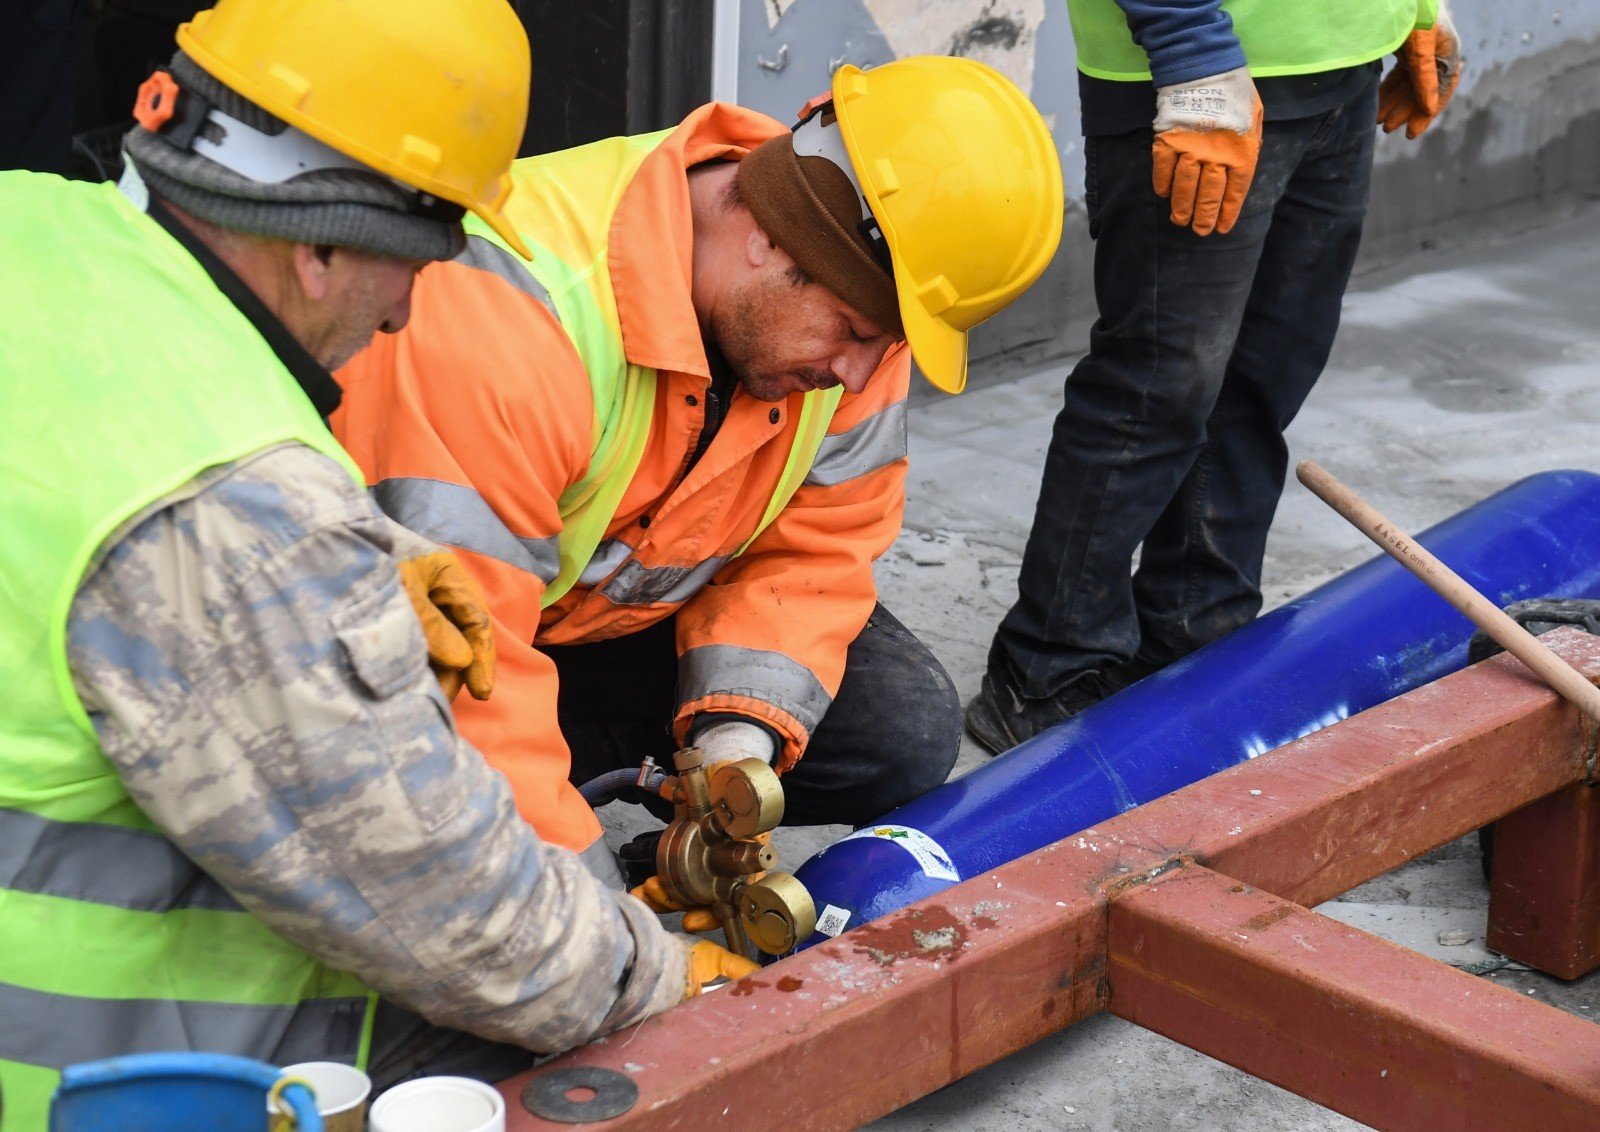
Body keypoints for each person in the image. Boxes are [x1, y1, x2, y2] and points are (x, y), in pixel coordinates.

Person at [0, 2, 753, 1124]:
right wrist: (660, 977)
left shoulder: (36, 227)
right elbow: (463, 921)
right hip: (104, 1076)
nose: (408, 313)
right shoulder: (246, 519)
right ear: (318, 238)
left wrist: (363, 568)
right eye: (417, 260)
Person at [332, 56, 1064, 874]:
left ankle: (604, 803)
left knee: (897, 731)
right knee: (425, 802)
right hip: (458, 637)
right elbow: (462, 664)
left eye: (886, 342)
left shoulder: (858, 321)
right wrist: (594, 929)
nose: (859, 373)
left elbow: (820, 546)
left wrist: (737, 732)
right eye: (855, 331)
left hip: (599, 618)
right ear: (767, 234)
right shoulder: (508, 318)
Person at [966, 0, 1464, 754]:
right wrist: (1191, 48)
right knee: (1159, 385)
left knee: (1266, 371)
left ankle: (1194, 637)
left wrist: (1418, 7)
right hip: (1199, 72)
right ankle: (1047, 670)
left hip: (1345, 63)